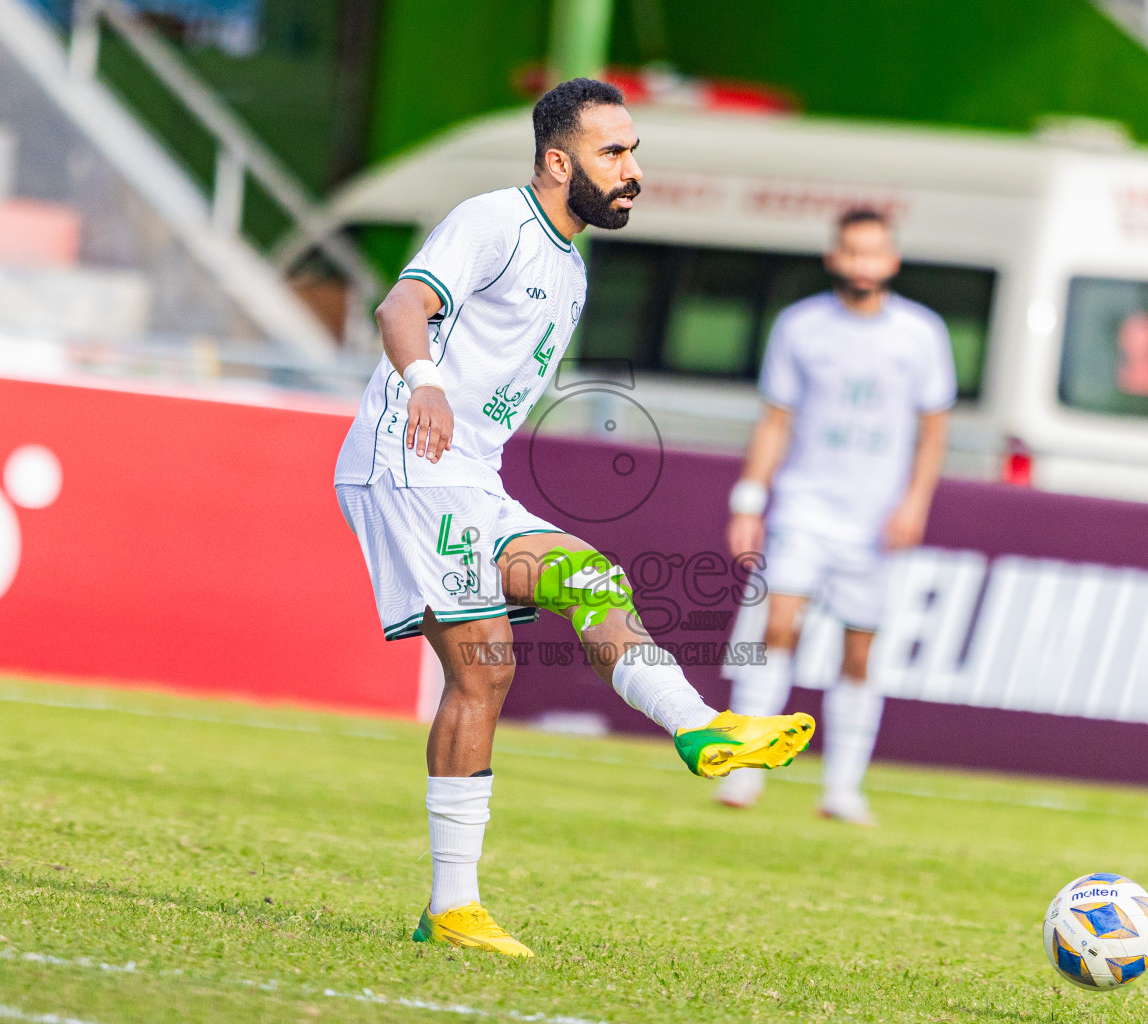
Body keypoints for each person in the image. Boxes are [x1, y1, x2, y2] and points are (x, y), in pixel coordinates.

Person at [332, 78, 816, 957]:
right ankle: (456, 905)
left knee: (569, 599)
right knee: (488, 666)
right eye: (613, 153)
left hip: (469, 478)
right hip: (407, 466)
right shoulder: (493, 222)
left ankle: (696, 727)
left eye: (633, 152)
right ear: (559, 163)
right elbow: (401, 306)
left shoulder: (572, 267)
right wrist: (424, 384)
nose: (632, 171)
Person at [719, 208, 954, 826]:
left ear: (892, 260)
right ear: (834, 257)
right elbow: (776, 420)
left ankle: (843, 787)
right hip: (805, 504)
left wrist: (914, 504)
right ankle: (746, 767)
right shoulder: (801, 327)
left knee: (858, 651)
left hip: (875, 518)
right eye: (852, 251)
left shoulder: (921, 333)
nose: (862, 264)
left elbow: (934, 432)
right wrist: (750, 499)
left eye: (873, 253)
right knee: (778, 628)